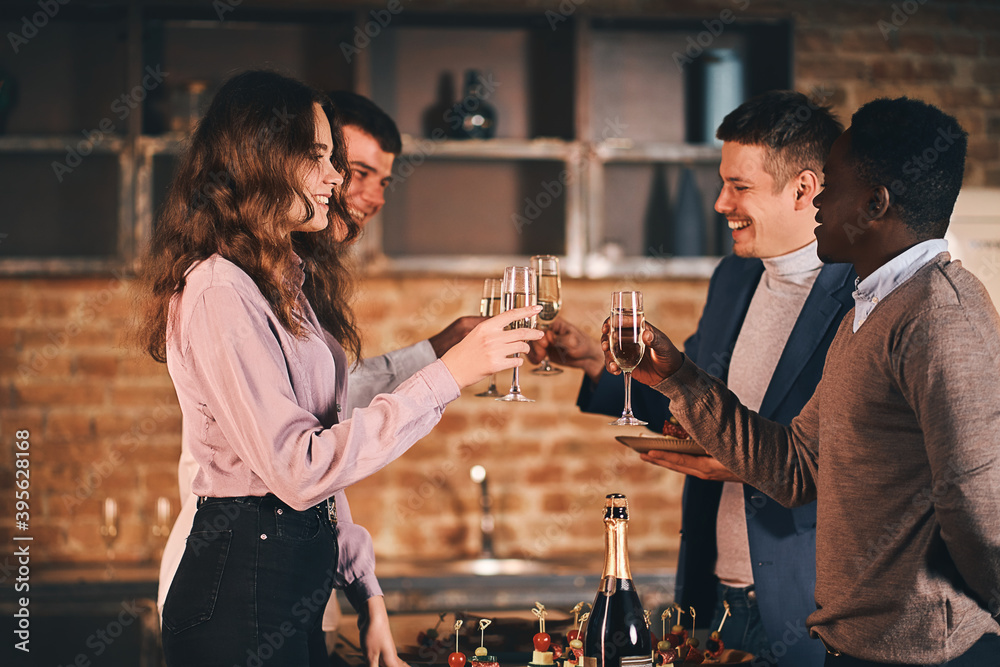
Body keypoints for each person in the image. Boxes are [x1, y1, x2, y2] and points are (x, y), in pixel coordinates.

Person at [138, 70, 542, 666]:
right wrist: (450, 373)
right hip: (237, 587)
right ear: (262, 159)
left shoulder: (284, 285)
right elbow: (299, 470)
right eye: (320, 157)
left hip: (289, 579)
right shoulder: (218, 290)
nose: (336, 179)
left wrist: (366, 591)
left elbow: (320, 456)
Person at [611, 97, 1000, 666]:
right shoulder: (869, 310)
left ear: (874, 204)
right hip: (853, 648)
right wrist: (677, 377)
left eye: (830, 185)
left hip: (928, 654)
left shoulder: (943, 313)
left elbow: (979, 502)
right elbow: (796, 467)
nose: (815, 200)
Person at [528, 90, 850, 665]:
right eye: (722, 182)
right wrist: (591, 360)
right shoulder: (733, 277)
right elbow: (687, 407)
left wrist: (748, 463)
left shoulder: (862, 297)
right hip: (718, 598)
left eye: (740, 186)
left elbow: (870, 467)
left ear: (805, 189)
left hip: (809, 603)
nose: (721, 203)